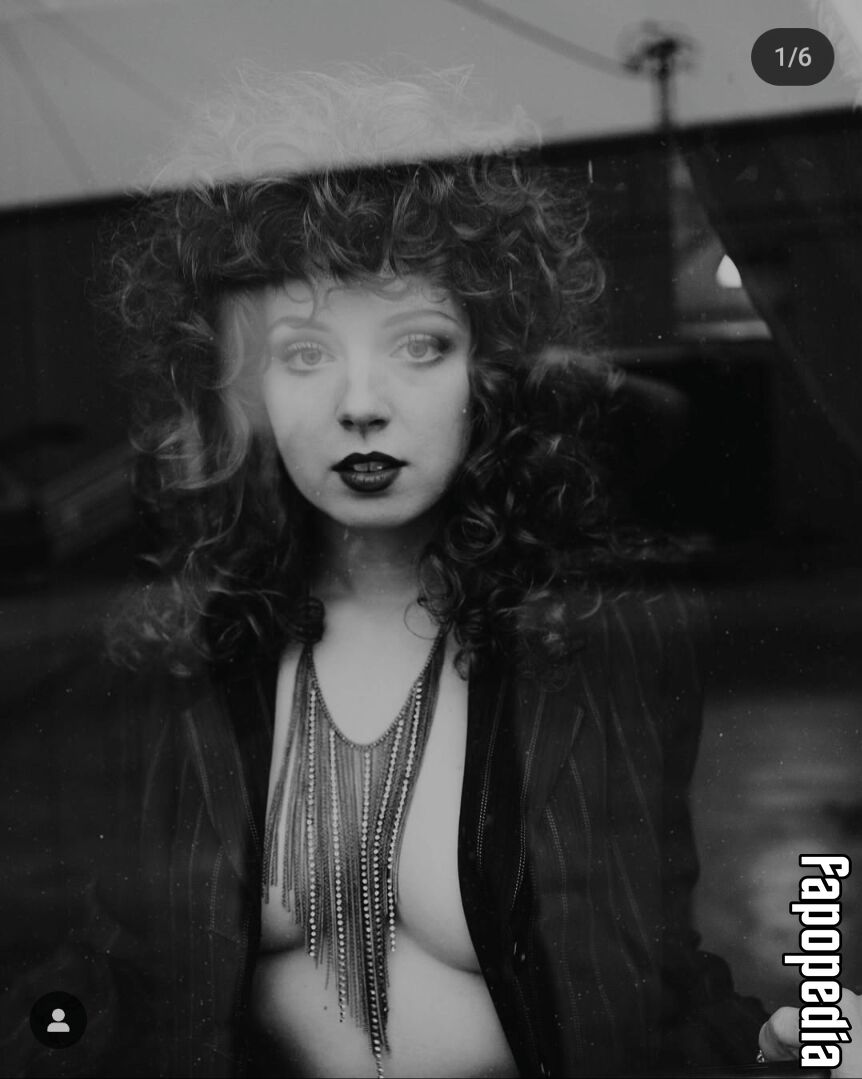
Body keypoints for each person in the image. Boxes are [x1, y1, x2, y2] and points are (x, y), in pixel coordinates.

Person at [10, 66, 859, 1079]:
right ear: (239, 387)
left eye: (419, 344)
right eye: (305, 353)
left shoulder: (604, 645)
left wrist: (794, 1048)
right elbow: (118, 977)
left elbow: (646, 984)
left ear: (492, 371)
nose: (362, 402)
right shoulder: (183, 657)